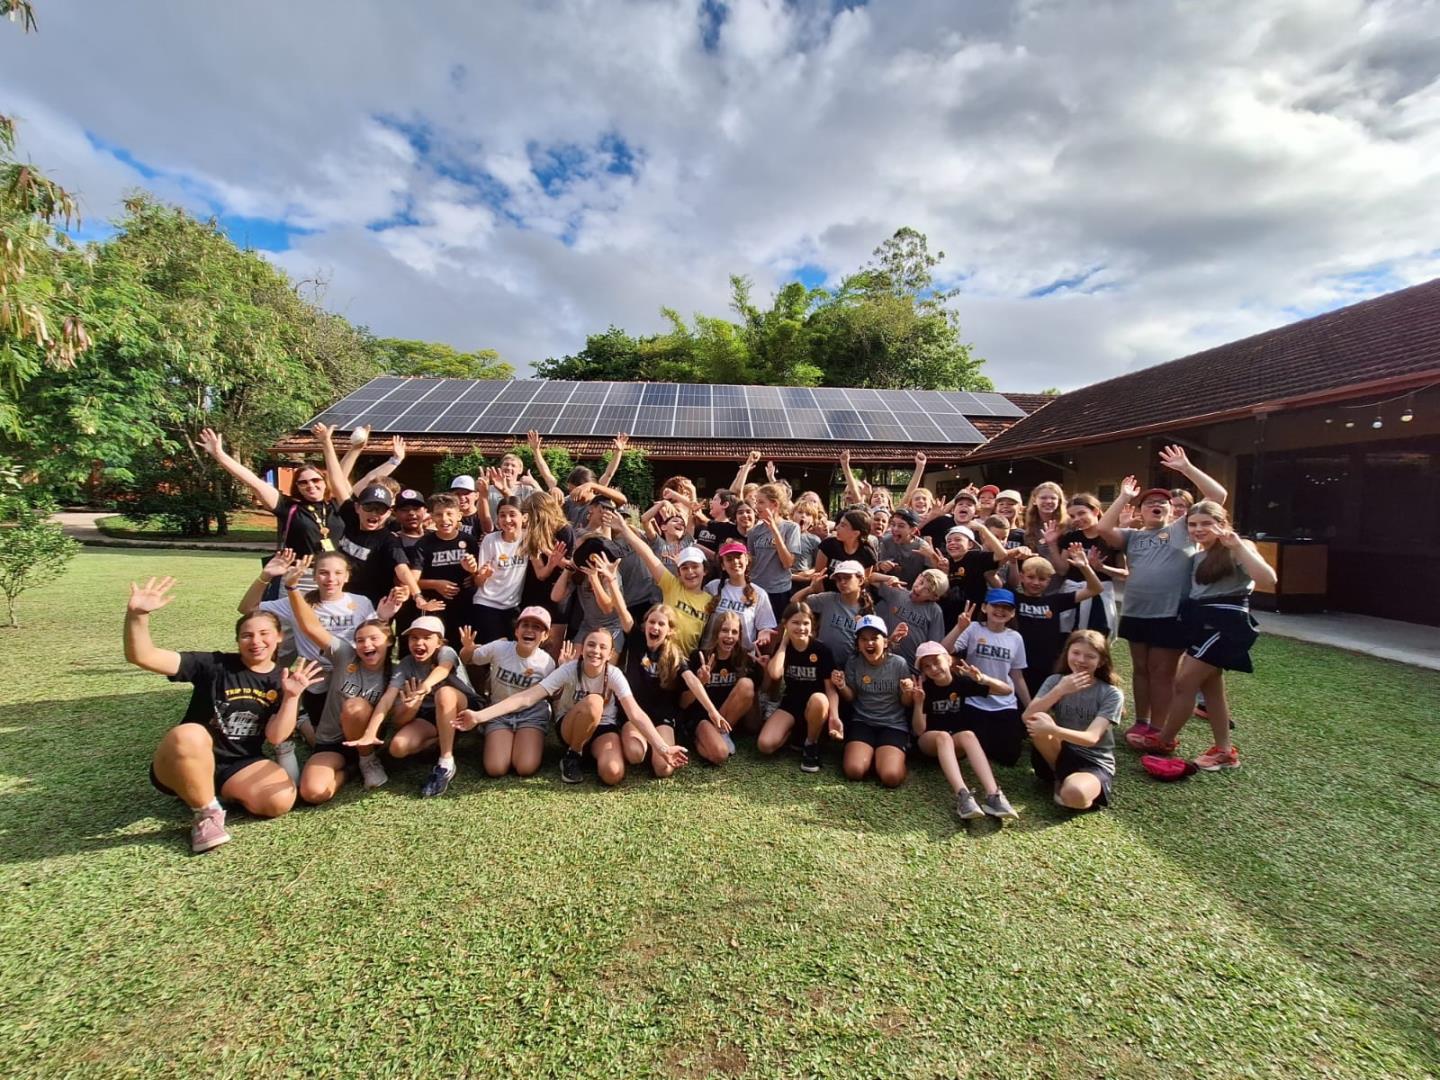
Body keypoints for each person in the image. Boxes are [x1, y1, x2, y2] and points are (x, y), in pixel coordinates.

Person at [124, 576, 321, 853]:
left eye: (265, 634)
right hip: (189, 757)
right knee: (190, 733)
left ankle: (208, 793)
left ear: (279, 637)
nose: (256, 641)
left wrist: (291, 697)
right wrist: (137, 616)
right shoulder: (214, 665)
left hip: (239, 762)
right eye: (247, 635)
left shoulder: (281, 679)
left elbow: (276, 736)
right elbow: (143, 656)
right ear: (238, 640)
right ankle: (206, 813)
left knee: (278, 802)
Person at [1095, 446, 1228, 743]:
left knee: (1162, 671)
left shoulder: (1182, 529)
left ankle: (1159, 727)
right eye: (1149, 503)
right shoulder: (1133, 536)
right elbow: (1104, 527)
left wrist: (1186, 468)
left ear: (1172, 510)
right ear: (1140, 512)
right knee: (1141, 670)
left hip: (1171, 614)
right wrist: (1124, 497)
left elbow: (1218, 497)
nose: (1156, 505)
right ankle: (1142, 721)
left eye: (1162, 503)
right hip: (1136, 612)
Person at [1132, 500, 1276, 769]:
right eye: (1193, 524)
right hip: (1202, 626)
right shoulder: (1198, 556)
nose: (1198, 529)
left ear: (1221, 524)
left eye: (1206, 524)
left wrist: (1238, 547)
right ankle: (1224, 751)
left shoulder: (1237, 548)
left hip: (1225, 627)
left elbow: (1268, 579)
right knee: (1212, 690)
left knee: (1184, 684)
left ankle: (1164, 739)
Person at [462, 627, 687, 786]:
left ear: (610, 654)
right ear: (583, 648)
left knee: (613, 773)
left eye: (602, 647)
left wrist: (663, 748)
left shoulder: (615, 674)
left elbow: (635, 713)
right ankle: (573, 754)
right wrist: (480, 716)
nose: (595, 651)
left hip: (602, 728)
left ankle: (589, 755)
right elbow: (527, 697)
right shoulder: (569, 669)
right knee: (594, 701)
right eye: (590, 645)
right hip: (572, 726)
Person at [283, 567, 396, 797]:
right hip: (333, 741)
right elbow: (311, 626)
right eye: (360, 640)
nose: (366, 645)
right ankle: (351, 769)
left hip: (372, 739)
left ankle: (367, 760)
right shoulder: (345, 654)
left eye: (374, 639)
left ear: (390, 642)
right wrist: (292, 588)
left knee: (355, 706)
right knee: (312, 792)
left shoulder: (395, 671)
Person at [345, 616, 480, 797]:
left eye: (427, 637)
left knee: (444, 693)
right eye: (414, 637)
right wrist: (370, 732)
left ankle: (446, 762)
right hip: (430, 715)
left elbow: (444, 669)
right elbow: (388, 698)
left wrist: (426, 686)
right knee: (397, 748)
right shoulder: (406, 664)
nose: (419, 642)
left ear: (439, 642)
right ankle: (445, 738)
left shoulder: (446, 652)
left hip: (464, 707)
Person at [617, 603, 733, 776]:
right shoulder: (637, 640)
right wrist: (611, 581)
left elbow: (691, 680)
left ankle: (655, 746)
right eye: (652, 622)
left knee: (664, 769)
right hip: (635, 716)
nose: (655, 627)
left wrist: (712, 711)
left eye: (661, 624)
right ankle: (645, 744)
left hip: (662, 717)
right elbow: (622, 611)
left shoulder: (674, 654)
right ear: (645, 625)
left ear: (670, 631)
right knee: (635, 754)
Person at [911, 641, 1017, 820]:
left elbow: (1006, 691)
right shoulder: (925, 689)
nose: (934, 669)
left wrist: (983, 679)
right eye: (927, 667)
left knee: (968, 735)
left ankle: (993, 795)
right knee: (943, 737)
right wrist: (919, 703)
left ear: (949, 660)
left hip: (955, 744)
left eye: (937, 662)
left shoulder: (962, 682)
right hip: (930, 743)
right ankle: (963, 795)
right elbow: (919, 730)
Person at [1024, 630, 1126, 811]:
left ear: (1101, 661)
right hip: (1057, 753)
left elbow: (1091, 738)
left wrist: (1053, 730)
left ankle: (1070, 785)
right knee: (1038, 717)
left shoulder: (1111, 694)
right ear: (1067, 653)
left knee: (1073, 795)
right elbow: (1026, 717)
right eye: (1076, 653)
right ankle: (1060, 776)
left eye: (1090, 656)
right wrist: (1059, 690)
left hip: (1093, 761)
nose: (1081, 660)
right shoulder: (1055, 681)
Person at [454, 608, 557, 778]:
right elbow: (468, 659)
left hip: (531, 714)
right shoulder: (499, 648)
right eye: (525, 625)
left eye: (537, 627)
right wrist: (467, 649)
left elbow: (552, 695)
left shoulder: (547, 663)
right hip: (498, 712)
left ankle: (525, 739)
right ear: (516, 630)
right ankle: (496, 734)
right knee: (496, 768)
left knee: (525, 767)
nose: (530, 630)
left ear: (545, 635)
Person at [942, 588, 1030, 766]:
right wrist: (959, 627)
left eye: (1006, 607)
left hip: (1004, 701)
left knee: (1009, 757)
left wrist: (1030, 707)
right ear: (984, 608)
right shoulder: (973, 628)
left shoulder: (1016, 638)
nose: (1000, 610)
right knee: (971, 749)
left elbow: (1017, 675)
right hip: (974, 700)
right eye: (995, 605)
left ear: (1012, 613)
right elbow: (945, 651)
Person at [609, 511, 711, 654]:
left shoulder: (711, 601)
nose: (690, 572)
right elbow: (647, 554)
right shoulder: (672, 584)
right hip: (659, 655)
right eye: (684, 567)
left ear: (705, 570)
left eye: (695, 567)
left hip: (685, 662)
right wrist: (624, 529)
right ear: (678, 572)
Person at [757, 601, 841, 772]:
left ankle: (811, 745)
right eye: (795, 622)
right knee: (765, 745)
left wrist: (834, 717)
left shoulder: (821, 650)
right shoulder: (784, 649)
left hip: (817, 708)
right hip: (791, 704)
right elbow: (774, 674)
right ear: (785, 624)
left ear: (812, 625)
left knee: (819, 698)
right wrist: (783, 644)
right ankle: (795, 734)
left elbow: (830, 690)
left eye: (805, 623)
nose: (801, 628)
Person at [837, 616, 916, 787]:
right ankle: (872, 757)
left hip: (893, 725)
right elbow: (851, 697)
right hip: (863, 722)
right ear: (858, 644)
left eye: (874, 638)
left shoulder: (899, 664)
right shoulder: (854, 663)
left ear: (886, 642)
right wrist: (842, 685)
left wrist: (907, 691)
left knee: (891, 777)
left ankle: (887, 759)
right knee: (854, 771)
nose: (869, 643)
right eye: (863, 639)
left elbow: (906, 703)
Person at [1013, 549, 1103, 698]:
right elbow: (993, 578)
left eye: (1042, 579)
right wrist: (1011, 560)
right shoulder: (1014, 598)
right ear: (1021, 577)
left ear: (1049, 581)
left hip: (1046, 664)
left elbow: (1095, 589)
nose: (1036, 582)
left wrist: (1084, 566)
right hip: (1019, 664)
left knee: (1042, 704)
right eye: (1031, 577)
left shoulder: (1055, 600)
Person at [682, 610, 758, 746]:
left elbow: (758, 693)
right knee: (720, 754)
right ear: (716, 632)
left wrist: (767, 670)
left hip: (727, 716)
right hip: (702, 716)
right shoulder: (699, 657)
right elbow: (683, 702)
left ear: (739, 635)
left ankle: (721, 734)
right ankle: (699, 737)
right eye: (724, 630)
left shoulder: (744, 658)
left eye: (734, 632)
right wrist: (700, 682)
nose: (729, 636)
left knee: (746, 684)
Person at [1057, 494, 1126, 635]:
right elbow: (1062, 570)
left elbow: (1124, 574)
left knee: (1097, 640)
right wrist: (1052, 544)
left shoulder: (1111, 537)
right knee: (1068, 638)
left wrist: (1101, 568)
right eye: (1072, 516)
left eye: (1081, 513)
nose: (1077, 519)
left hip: (1100, 597)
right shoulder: (1071, 538)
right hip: (1074, 594)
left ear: (1095, 511)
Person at [466, 495, 529, 644]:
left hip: (513, 606)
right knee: (493, 651)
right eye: (502, 515)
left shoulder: (529, 539)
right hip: (487, 603)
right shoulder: (490, 540)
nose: (507, 520)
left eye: (512, 515)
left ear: (524, 517)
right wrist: (484, 575)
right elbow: (478, 581)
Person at [702, 541, 777, 653]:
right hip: (710, 653)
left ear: (746, 560)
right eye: (729, 559)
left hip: (742, 658)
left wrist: (764, 632)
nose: (735, 561)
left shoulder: (759, 593)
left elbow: (766, 626)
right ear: (723, 565)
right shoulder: (712, 587)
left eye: (739, 557)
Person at [869, 569, 947, 669]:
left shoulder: (935, 611)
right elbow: (871, 578)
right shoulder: (897, 593)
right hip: (885, 660)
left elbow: (934, 647)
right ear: (918, 576)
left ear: (934, 597)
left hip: (912, 667)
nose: (919, 589)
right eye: (921, 582)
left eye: (927, 590)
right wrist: (889, 578)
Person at [746, 483, 802, 616]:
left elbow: (788, 563)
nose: (756, 507)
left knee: (776, 629)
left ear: (775, 504)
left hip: (778, 590)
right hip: (756, 588)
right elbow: (751, 561)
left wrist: (774, 531)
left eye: (761, 502)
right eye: (756, 502)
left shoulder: (791, 528)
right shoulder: (754, 532)